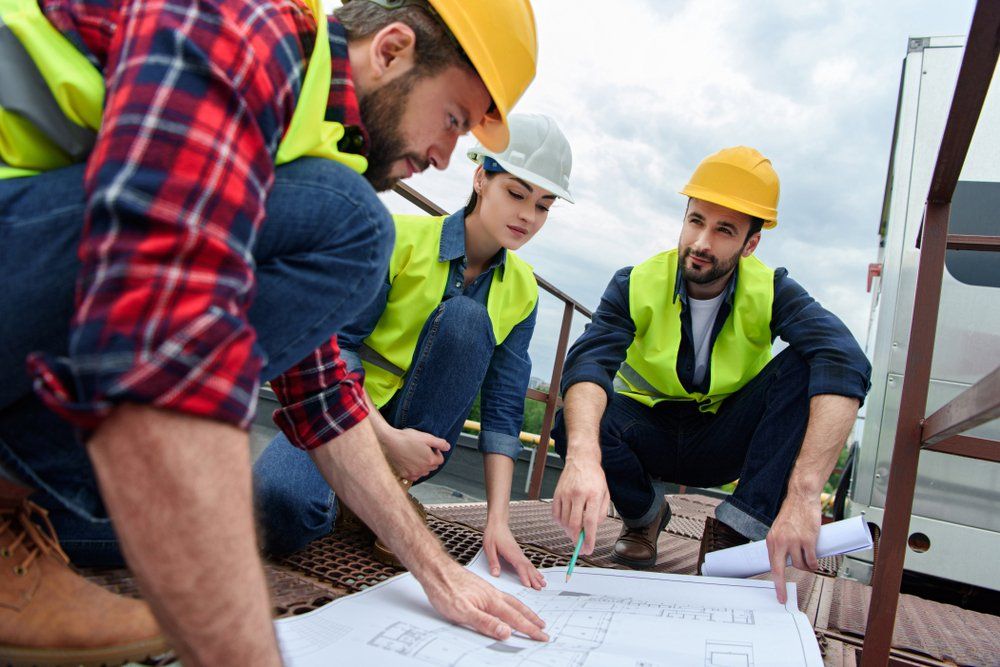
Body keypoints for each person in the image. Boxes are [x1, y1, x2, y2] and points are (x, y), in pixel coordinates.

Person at [0, 0, 548, 664]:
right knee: (350, 221)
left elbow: (316, 388)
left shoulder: (295, 133)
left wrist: (434, 568)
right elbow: (155, 314)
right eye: (452, 120)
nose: (440, 157)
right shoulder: (239, 25)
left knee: (181, 533)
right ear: (393, 50)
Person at [254, 113, 574, 591]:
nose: (528, 216)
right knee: (277, 505)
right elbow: (339, 344)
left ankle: (380, 496)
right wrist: (381, 437)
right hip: (349, 416)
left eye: (544, 205)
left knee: (467, 317)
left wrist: (498, 521)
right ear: (481, 177)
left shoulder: (524, 292)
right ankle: (357, 506)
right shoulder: (401, 240)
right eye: (516, 193)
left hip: (420, 446)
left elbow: (505, 411)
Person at [549, 146, 871, 602]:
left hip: (724, 440)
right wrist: (583, 455)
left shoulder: (771, 290)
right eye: (696, 220)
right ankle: (644, 518)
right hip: (648, 435)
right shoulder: (635, 282)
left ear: (750, 244)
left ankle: (736, 532)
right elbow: (589, 363)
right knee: (576, 420)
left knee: (809, 359)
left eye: (724, 230)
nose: (702, 242)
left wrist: (803, 497)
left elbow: (846, 359)